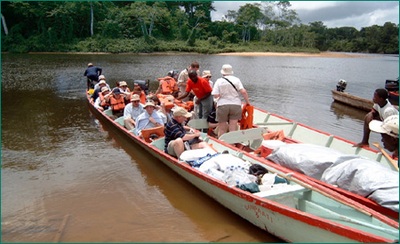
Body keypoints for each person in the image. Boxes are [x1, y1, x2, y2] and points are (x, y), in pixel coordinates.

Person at [212, 64, 250, 138]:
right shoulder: (236, 79)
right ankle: (232, 143)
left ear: (222, 72)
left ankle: (222, 143)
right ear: (231, 71)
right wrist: (248, 102)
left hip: (222, 105)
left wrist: (222, 95)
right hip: (235, 104)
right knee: (233, 128)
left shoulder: (219, 81)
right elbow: (243, 92)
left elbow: (215, 95)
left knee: (222, 128)